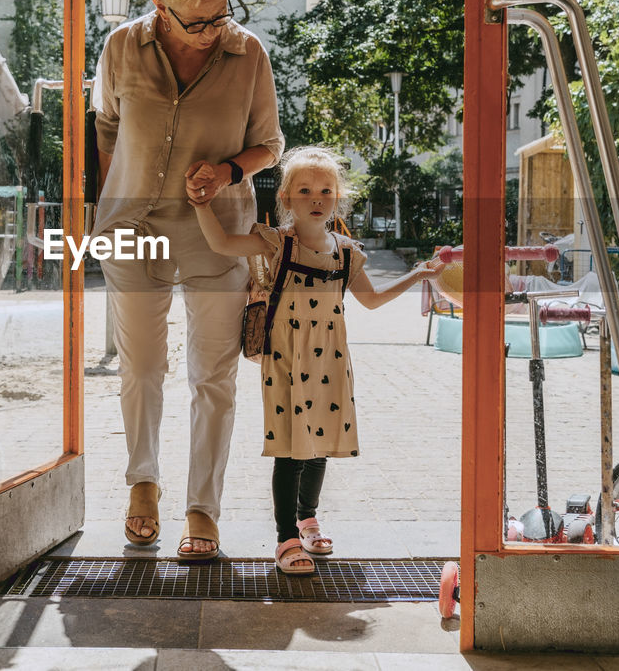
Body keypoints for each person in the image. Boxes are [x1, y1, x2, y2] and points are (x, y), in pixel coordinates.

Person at [92, 0, 284, 561]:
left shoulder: (248, 53)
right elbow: (107, 123)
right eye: (195, 20)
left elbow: (270, 144)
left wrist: (229, 170)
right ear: (159, 7)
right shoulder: (122, 45)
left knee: (215, 377)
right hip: (134, 228)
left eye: (220, 14)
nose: (210, 31)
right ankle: (142, 485)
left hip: (219, 230)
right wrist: (110, 190)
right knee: (142, 366)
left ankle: (203, 509)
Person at [191, 146, 445, 574]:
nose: (316, 198)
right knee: (290, 447)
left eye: (325, 191)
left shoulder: (346, 252)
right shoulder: (277, 242)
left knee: (320, 442)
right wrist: (201, 205)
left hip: (330, 358)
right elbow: (220, 242)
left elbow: (373, 300)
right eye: (305, 190)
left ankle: (308, 517)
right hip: (286, 359)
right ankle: (286, 537)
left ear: (337, 198)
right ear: (286, 198)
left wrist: (419, 273)